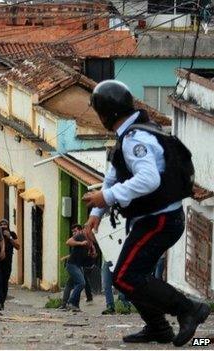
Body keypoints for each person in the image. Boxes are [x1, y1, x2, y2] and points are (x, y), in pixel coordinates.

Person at [83, 80, 209, 346]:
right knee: (135, 275)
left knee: (125, 277)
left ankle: (188, 309)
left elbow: (149, 179)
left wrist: (105, 197)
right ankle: (157, 328)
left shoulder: (134, 139)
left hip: (160, 219)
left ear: (108, 114)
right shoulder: (130, 134)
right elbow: (114, 176)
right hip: (152, 217)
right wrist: (98, 210)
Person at [61, 224, 90, 312]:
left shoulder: (86, 239)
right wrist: (80, 243)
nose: (74, 233)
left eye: (75, 231)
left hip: (78, 265)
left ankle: (73, 306)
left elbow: (78, 253)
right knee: (81, 283)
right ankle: (71, 302)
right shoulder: (80, 236)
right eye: (73, 231)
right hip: (72, 265)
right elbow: (68, 242)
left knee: (71, 284)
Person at [0, 219, 19, 310]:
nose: (3, 226)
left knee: (5, 281)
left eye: (5, 224)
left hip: (8, 261)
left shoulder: (12, 234)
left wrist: (10, 238)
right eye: (1, 224)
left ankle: (2, 301)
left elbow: (18, 246)